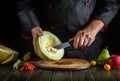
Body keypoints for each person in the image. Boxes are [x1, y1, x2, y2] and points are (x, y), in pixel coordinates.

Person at [16, 0, 119, 59]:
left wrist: (92, 28)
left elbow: (111, 3)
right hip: (44, 50)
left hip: (87, 50)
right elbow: (24, 4)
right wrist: (33, 27)